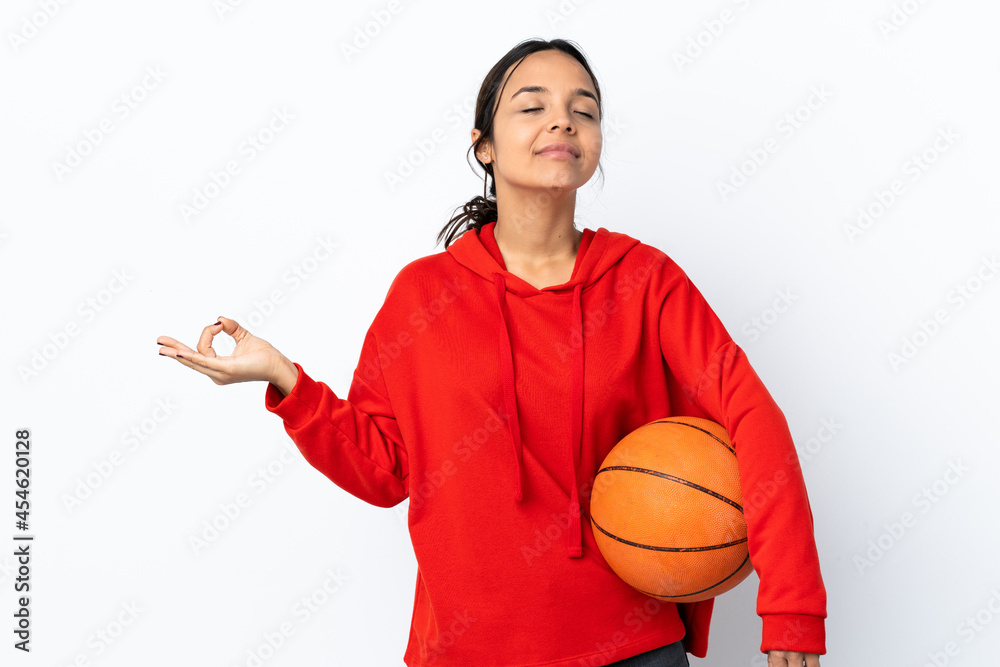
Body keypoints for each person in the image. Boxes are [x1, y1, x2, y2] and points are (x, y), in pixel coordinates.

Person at [157, 38, 826, 667]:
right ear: (483, 146)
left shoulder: (645, 280)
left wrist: (792, 603)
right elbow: (382, 469)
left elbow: (753, 419)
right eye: (532, 106)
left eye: (582, 111)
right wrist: (285, 380)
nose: (561, 122)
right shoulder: (424, 296)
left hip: (633, 648)